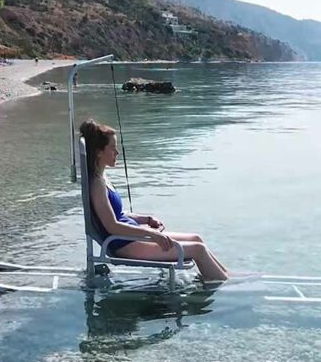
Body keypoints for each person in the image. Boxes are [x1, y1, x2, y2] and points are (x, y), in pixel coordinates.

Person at [81, 119, 229, 282]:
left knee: (196, 239)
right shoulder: (97, 186)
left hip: (131, 239)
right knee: (198, 250)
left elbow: (118, 214)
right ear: (99, 152)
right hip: (125, 245)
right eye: (112, 148)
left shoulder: (103, 178)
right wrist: (151, 234)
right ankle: (224, 286)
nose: (117, 152)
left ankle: (225, 276)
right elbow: (112, 226)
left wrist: (146, 219)